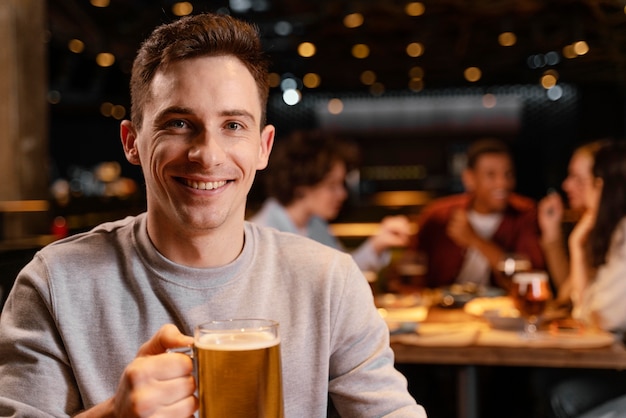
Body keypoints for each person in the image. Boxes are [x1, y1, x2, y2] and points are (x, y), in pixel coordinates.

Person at [0, 13, 426, 417]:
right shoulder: (53, 284)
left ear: (264, 147)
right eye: (179, 123)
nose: (207, 154)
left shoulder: (328, 280)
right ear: (132, 142)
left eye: (233, 126)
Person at [389, 138, 545, 292]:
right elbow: (408, 271)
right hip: (443, 310)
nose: (502, 183)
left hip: (500, 312)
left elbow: (530, 281)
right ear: (469, 179)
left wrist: (475, 239)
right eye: (491, 175)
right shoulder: (438, 215)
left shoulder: (524, 213)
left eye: (508, 174)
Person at [250, 129, 411, 273]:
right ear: (302, 185)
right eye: (332, 186)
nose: (342, 194)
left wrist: (377, 244)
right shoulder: (262, 235)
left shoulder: (315, 224)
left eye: (341, 184)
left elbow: (342, 274)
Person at [545, 140, 626, 418]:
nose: (569, 186)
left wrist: (575, 244)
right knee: (564, 395)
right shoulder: (609, 232)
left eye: (582, 179)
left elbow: (598, 314)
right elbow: (573, 300)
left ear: (602, 185)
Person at [538, 139, 610, 303]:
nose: (566, 185)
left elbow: (572, 300)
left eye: (577, 178)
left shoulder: (611, 228)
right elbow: (569, 292)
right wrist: (552, 235)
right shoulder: (587, 222)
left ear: (601, 183)